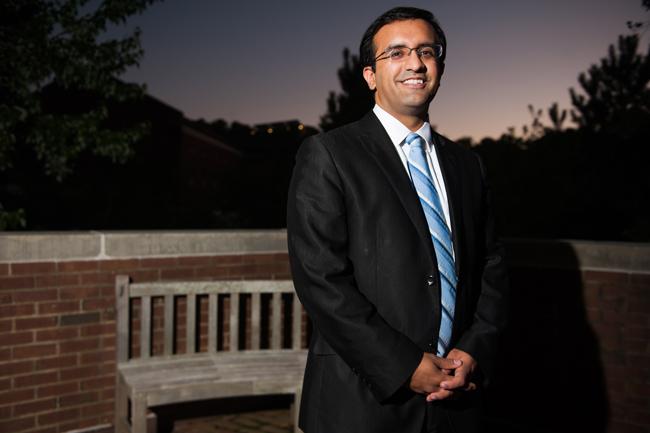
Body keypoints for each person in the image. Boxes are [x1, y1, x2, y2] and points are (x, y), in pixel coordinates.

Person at [286, 6, 509, 433]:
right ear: (370, 74)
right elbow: (321, 280)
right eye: (397, 52)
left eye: (427, 51)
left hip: (455, 399)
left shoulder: (468, 165)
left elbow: (492, 267)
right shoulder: (329, 155)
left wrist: (473, 349)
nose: (415, 63)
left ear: (439, 66)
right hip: (362, 400)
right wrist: (404, 365)